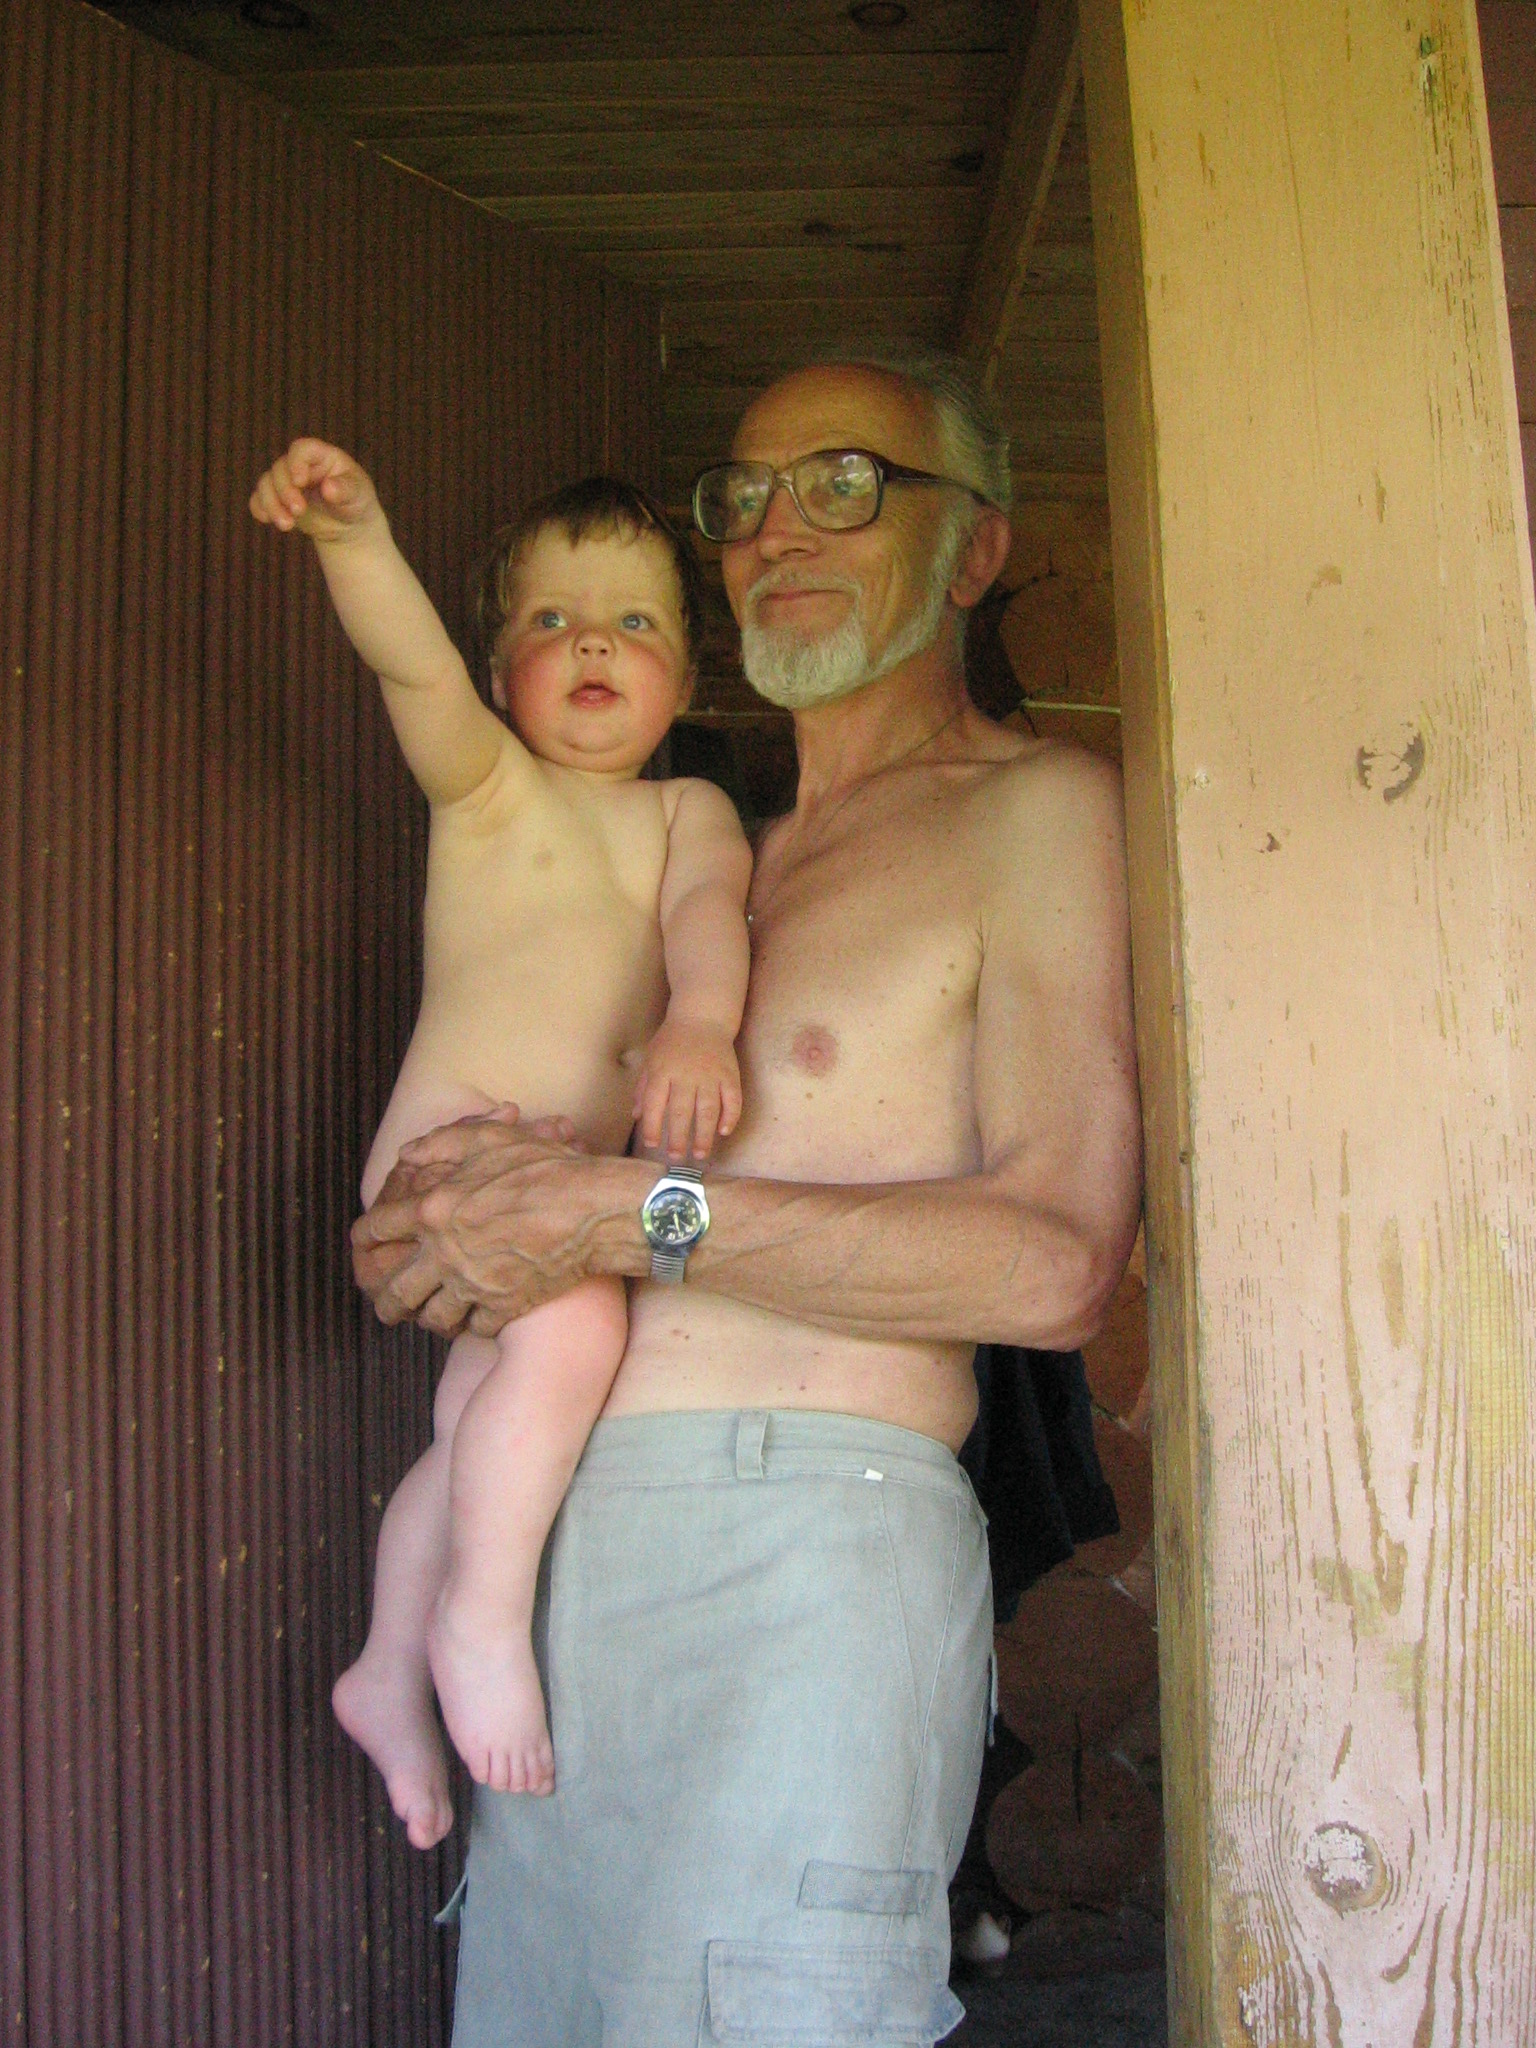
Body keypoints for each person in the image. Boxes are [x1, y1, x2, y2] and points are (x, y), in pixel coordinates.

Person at [353, 351, 1143, 2045]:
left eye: (847, 484)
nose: (781, 529)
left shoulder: (1033, 812)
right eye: (746, 497)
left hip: (805, 1546)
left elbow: (1059, 1264)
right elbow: (530, 1184)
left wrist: (622, 1214)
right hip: (552, 1540)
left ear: (974, 549)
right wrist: (440, 1227)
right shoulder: (689, 842)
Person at [249, 444, 752, 1844]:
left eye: (633, 621)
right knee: (579, 1327)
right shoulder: (487, 790)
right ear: (498, 672)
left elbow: (709, 914)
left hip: (563, 1191)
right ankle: (479, 1620)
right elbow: (407, 668)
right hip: (450, 1156)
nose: (591, 642)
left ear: (684, 681)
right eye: (550, 619)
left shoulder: (689, 813)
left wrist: (701, 1023)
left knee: (473, 1430)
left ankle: (381, 1673)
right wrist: (355, 535)